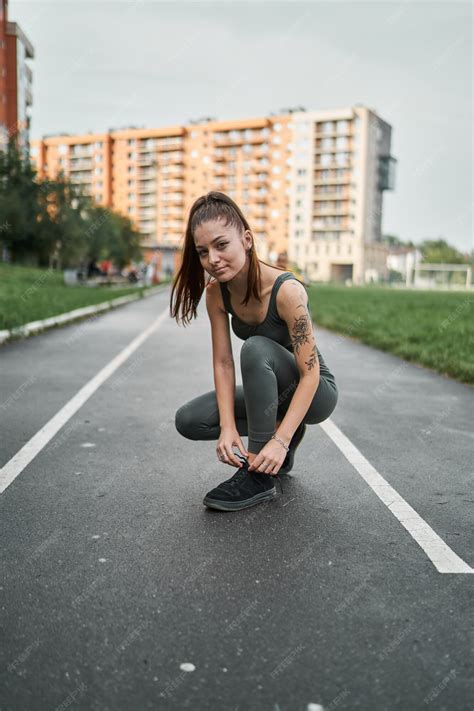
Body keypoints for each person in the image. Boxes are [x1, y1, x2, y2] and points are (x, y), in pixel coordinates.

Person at [170, 191, 338, 512]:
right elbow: (222, 363)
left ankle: (258, 473)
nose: (213, 259)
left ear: (246, 239)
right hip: (271, 391)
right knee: (189, 421)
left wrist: (279, 440)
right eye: (203, 252)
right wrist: (228, 427)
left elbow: (311, 374)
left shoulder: (287, 291)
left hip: (315, 392)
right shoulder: (216, 294)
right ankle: (276, 440)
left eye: (222, 245)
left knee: (255, 347)